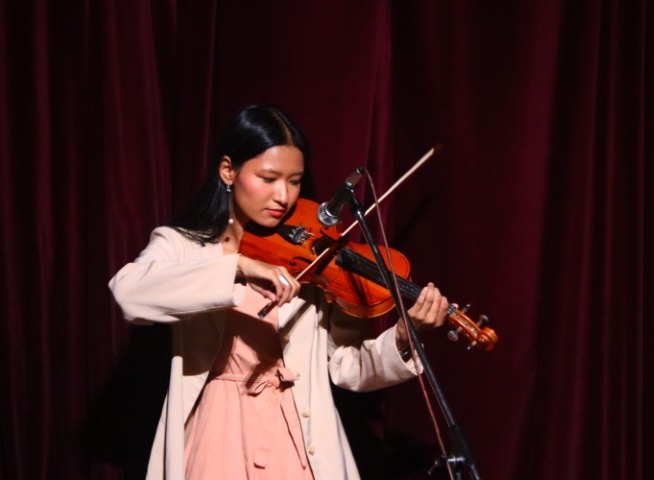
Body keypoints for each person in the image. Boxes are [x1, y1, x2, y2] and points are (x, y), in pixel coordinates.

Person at [108, 105, 449, 480]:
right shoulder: (184, 245)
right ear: (228, 170)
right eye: (268, 178)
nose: (283, 196)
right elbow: (129, 293)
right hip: (218, 434)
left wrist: (401, 338)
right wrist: (238, 266)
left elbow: (346, 367)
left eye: (294, 181)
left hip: (297, 434)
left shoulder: (312, 257)